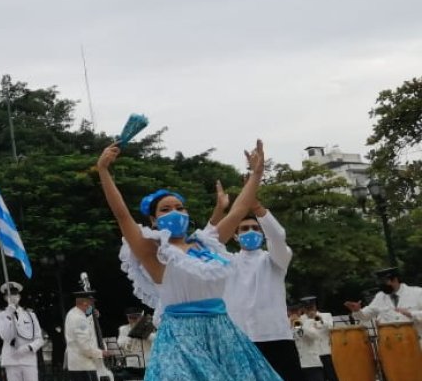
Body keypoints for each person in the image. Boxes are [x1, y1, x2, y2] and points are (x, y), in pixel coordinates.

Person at [97, 139, 282, 380]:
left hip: (222, 332)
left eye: (180, 207)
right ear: (153, 221)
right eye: (165, 209)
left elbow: (239, 209)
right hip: (180, 336)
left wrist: (257, 173)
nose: (175, 212)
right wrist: (103, 170)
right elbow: (122, 215)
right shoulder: (154, 252)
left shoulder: (208, 242)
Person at [205, 187, 301, 381]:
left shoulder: (276, 260)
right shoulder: (227, 262)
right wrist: (220, 211)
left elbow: (277, 236)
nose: (250, 232)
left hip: (276, 337)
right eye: (244, 229)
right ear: (235, 235)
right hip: (238, 340)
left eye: (255, 228)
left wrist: (257, 207)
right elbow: (207, 243)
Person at [344, 267, 422, 340]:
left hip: (416, 342)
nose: (381, 285)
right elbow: (365, 316)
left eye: (384, 281)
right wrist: (357, 311)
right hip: (391, 344)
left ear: (395, 280)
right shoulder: (380, 296)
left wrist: (411, 313)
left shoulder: (417, 292)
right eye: (379, 282)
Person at [0, 282, 45, 381]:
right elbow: (6, 336)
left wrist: (28, 347)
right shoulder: (1, 315)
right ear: (5, 298)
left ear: (19, 296)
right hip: (11, 360)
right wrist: (9, 315)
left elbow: (39, 339)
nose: (12, 297)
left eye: (14, 294)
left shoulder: (30, 314)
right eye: (9, 295)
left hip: (29, 359)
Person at [64, 290, 105, 381]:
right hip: (80, 363)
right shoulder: (77, 317)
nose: (92, 306)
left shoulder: (79, 314)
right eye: (90, 303)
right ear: (84, 303)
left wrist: (93, 315)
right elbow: (84, 344)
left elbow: (88, 321)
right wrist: (101, 353)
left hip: (84, 362)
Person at [299, 297, 337, 381]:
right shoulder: (300, 319)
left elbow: (330, 328)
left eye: (311, 307)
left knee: (332, 377)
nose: (309, 310)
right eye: (307, 308)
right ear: (303, 309)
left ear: (315, 306)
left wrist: (318, 318)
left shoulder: (326, 315)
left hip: (325, 352)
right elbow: (299, 334)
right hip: (312, 356)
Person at [290, 301, 326, 381]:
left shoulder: (309, 322)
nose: (293, 314)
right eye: (291, 311)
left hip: (310, 363)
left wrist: (297, 324)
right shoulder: (284, 325)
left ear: (300, 311)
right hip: (294, 364)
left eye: (296, 311)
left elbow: (314, 335)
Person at [116, 307, 154, 376]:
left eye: (135, 318)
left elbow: (156, 339)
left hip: (147, 365)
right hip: (131, 366)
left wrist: (145, 334)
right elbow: (120, 343)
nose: (133, 320)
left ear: (140, 317)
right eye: (130, 318)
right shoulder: (123, 329)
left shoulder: (149, 327)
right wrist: (131, 335)